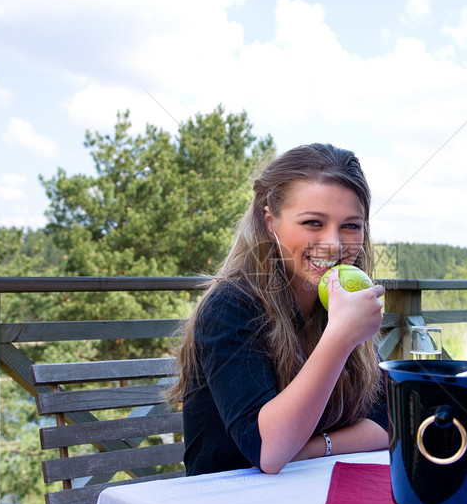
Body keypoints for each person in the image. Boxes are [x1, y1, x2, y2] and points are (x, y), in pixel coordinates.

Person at [165, 143, 388, 476]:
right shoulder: (231, 305)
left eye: (351, 226)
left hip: (311, 492)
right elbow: (268, 450)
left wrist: (306, 450)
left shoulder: (338, 304)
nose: (335, 244)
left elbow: (385, 424)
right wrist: (340, 338)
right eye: (313, 222)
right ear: (271, 221)